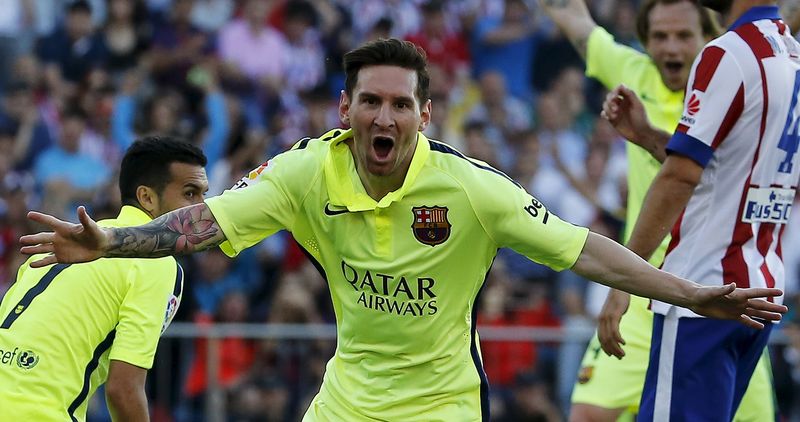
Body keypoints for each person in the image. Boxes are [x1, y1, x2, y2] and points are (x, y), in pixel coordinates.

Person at [19, 39, 787, 421]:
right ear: (345, 112)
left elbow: (585, 250)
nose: (384, 117)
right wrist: (110, 241)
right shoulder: (303, 172)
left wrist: (688, 292)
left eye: (401, 105)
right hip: (348, 397)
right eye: (370, 103)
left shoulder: (470, 188)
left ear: (424, 115)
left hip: (442, 402)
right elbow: (197, 224)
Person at [538, 0, 777, 419]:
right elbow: (574, 19)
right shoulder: (633, 73)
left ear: (709, 36)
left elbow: (692, 173)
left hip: (716, 293)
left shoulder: (734, 76)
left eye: (684, 36)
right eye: (660, 37)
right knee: (587, 415)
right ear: (644, 42)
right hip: (643, 290)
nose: (672, 48)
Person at [600, 0, 799, 419]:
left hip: (704, 293)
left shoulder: (727, 52)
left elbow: (680, 178)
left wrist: (624, 280)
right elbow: (729, 170)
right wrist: (651, 136)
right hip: (759, 287)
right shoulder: (790, 54)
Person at [0, 137, 208, 421]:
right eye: (190, 194)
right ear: (147, 197)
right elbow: (124, 390)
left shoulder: (68, 242)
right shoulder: (157, 262)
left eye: (203, 195)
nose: (203, 209)